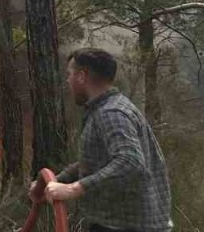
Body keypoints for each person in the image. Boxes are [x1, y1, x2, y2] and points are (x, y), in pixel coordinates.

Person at [34, 48, 172, 232]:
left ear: (82, 76)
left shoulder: (111, 113)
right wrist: (55, 182)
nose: (68, 81)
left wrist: (74, 189)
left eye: (69, 74)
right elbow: (99, 160)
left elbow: (130, 162)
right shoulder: (105, 109)